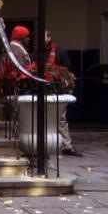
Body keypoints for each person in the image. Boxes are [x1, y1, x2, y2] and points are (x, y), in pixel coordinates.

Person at [44, 29, 82, 157]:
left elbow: (67, 69)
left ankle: (67, 146)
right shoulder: (36, 53)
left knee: (61, 119)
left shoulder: (60, 52)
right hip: (42, 90)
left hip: (58, 90)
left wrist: (53, 71)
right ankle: (45, 145)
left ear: (49, 37)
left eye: (43, 36)